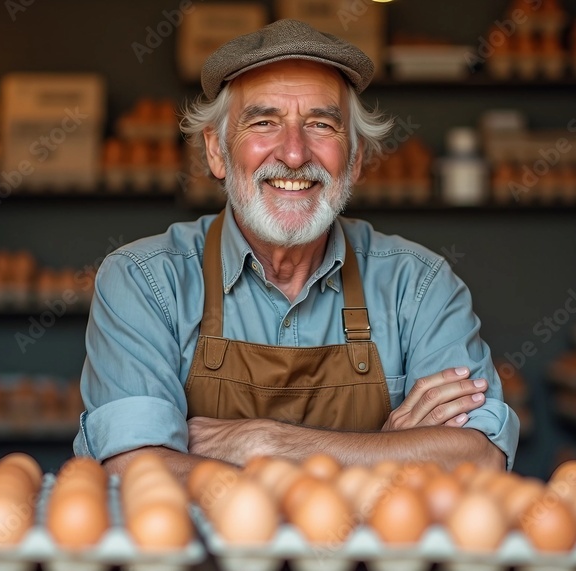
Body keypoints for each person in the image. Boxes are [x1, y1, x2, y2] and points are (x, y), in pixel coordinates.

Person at [73, 19, 519, 479]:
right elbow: (135, 468)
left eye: (321, 124)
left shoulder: (419, 285)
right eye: (264, 122)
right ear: (217, 152)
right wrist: (385, 451)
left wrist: (266, 443)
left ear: (357, 157)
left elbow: (478, 458)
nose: (293, 153)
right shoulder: (144, 281)